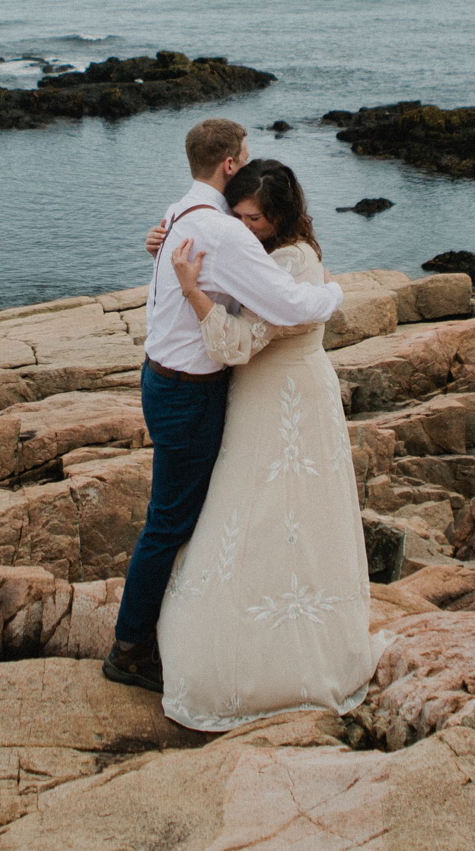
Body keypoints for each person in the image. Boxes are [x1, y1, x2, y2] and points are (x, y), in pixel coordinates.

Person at [103, 120, 344, 697]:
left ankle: (165, 626)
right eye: (246, 154)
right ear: (231, 164)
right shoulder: (224, 232)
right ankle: (130, 648)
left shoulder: (181, 212)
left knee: (183, 516)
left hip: (159, 379)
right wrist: (335, 292)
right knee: (169, 523)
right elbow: (290, 303)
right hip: (189, 390)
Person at [145, 157, 377, 731]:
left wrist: (192, 291)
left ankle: (280, 663)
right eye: (238, 214)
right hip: (267, 394)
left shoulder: (292, 262)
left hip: (282, 393)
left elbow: (238, 343)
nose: (243, 226)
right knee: (254, 512)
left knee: (279, 515)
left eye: (254, 218)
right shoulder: (270, 253)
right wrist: (165, 240)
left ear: (279, 217)